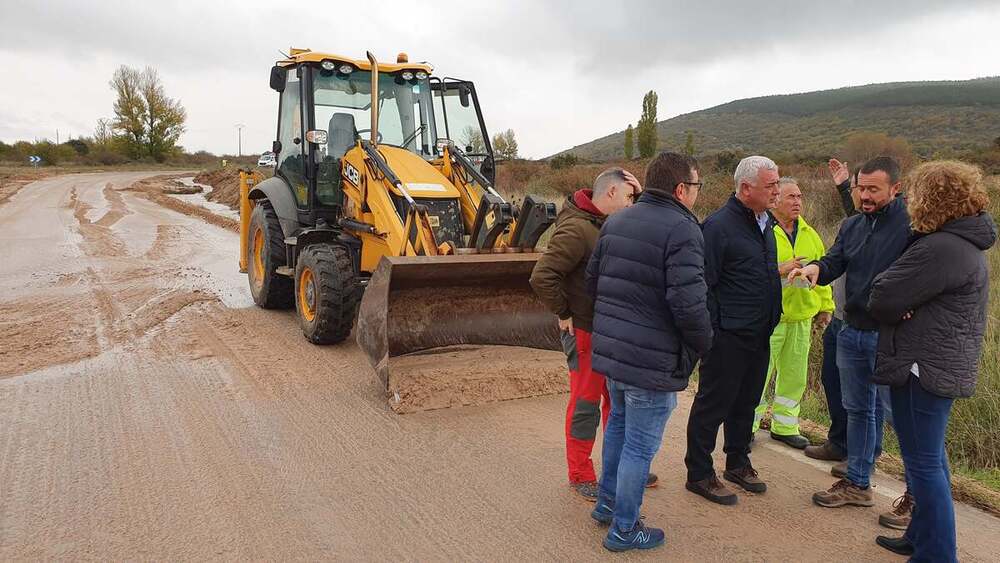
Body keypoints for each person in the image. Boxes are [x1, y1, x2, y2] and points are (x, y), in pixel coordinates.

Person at [867, 160, 995, 561]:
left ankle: (938, 555)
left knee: (924, 465)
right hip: (936, 362)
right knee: (929, 458)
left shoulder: (942, 247)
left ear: (931, 198)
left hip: (924, 367)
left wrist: (902, 305)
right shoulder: (959, 242)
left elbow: (882, 296)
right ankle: (921, 537)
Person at [585, 152, 712, 552]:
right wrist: (706, 345)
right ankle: (625, 528)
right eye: (695, 187)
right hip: (651, 361)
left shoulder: (617, 220)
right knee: (639, 445)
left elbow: (593, 283)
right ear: (680, 189)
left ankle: (607, 505)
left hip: (616, 356)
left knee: (618, 429)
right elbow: (689, 305)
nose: (696, 195)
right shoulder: (683, 230)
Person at [787, 156, 911, 509]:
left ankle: (917, 498)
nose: (866, 196)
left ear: (895, 188)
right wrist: (815, 269)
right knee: (857, 410)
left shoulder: (911, 225)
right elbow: (835, 260)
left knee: (899, 417)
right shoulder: (853, 225)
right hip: (851, 330)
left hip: (890, 336)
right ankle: (858, 482)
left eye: (874, 189)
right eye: (861, 188)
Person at [529, 167, 646, 500]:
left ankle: (618, 467)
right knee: (586, 403)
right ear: (610, 194)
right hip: (584, 331)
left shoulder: (604, 223)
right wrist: (564, 311)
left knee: (615, 400)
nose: (631, 204)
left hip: (608, 330)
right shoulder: (578, 229)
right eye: (628, 197)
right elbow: (542, 276)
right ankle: (580, 472)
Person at [684, 155, 782, 506]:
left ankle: (737, 462)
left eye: (777, 183)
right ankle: (699, 472)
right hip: (727, 335)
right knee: (714, 403)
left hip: (760, 331)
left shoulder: (765, 221)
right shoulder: (719, 227)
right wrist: (713, 331)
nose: (777, 191)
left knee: (747, 402)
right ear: (745, 188)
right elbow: (703, 283)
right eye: (770, 185)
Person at [751, 177, 834, 449]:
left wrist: (825, 306)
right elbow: (748, 272)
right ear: (776, 201)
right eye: (791, 197)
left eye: (799, 196)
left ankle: (785, 426)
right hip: (769, 317)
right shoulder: (762, 231)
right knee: (758, 374)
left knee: (794, 376)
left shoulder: (811, 235)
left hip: (800, 318)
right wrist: (779, 269)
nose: (797, 201)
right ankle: (747, 425)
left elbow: (822, 272)